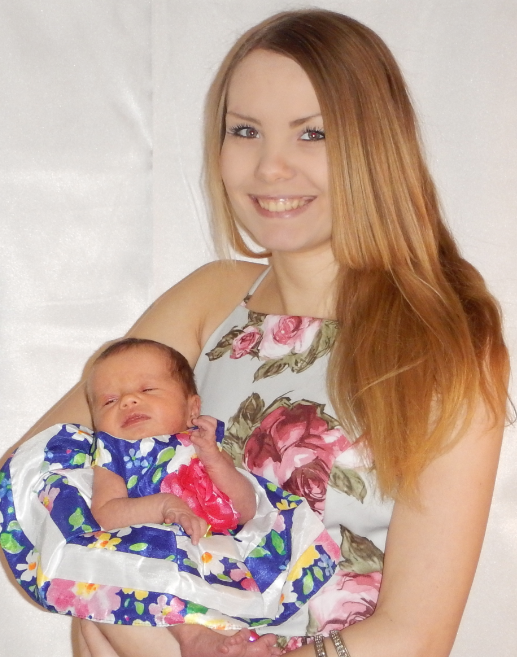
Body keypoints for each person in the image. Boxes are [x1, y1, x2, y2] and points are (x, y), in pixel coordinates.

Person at [2, 8, 509, 657]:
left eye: (312, 133)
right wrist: (116, 589)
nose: (270, 167)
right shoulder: (210, 300)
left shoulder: (440, 342)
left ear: (373, 145)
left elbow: (415, 634)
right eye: (245, 130)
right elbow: (32, 477)